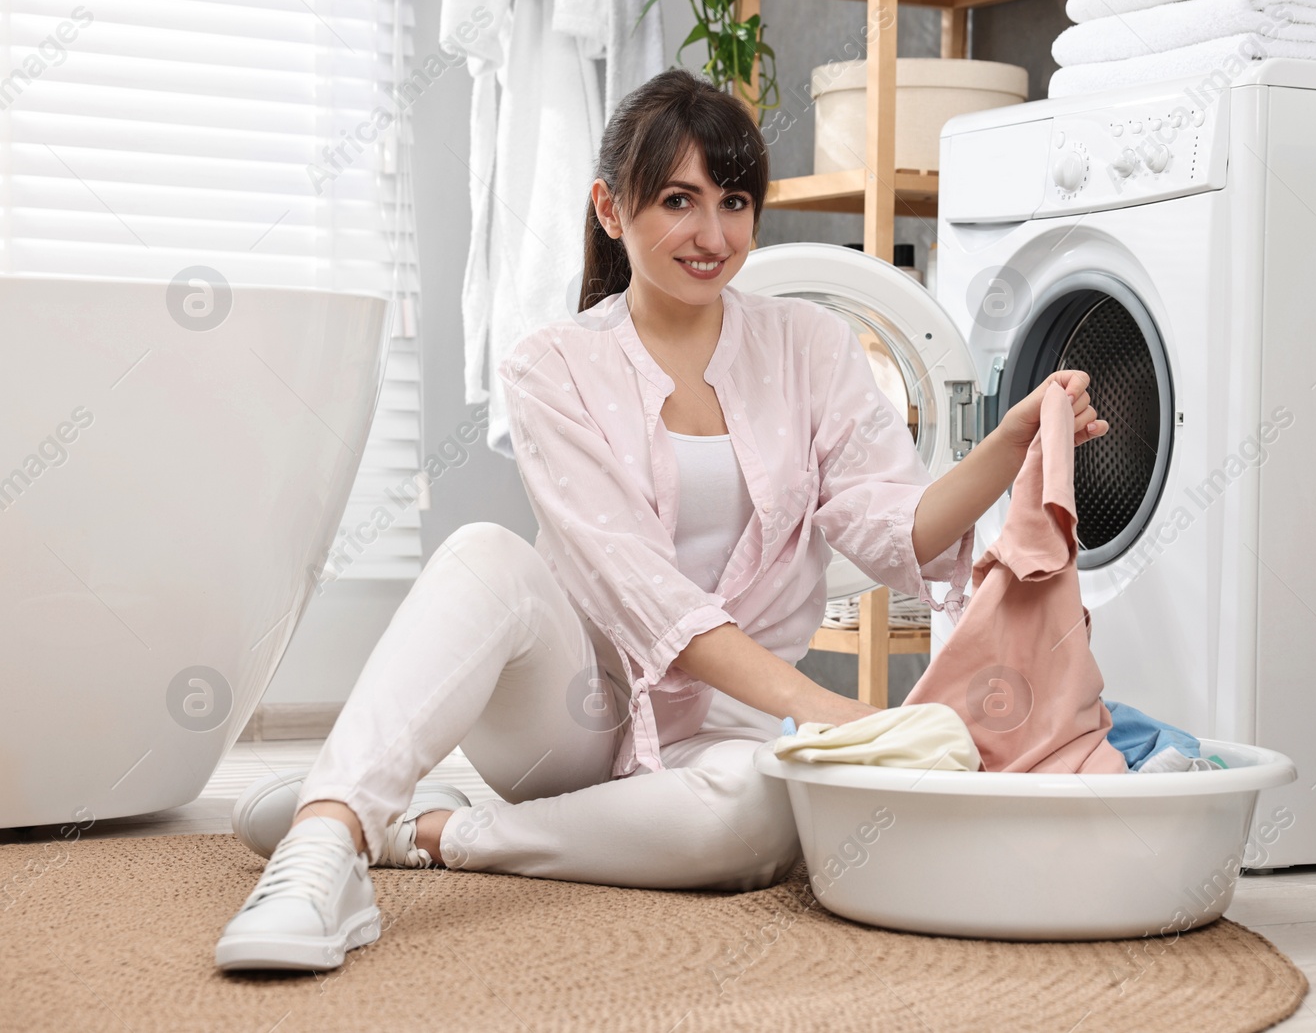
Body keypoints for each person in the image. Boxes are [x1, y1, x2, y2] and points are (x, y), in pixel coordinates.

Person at [213, 67, 1110, 972]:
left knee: (757, 811)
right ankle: (321, 849)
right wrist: (823, 710)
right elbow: (640, 590)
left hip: (726, 727)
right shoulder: (553, 364)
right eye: (678, 200)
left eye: (735, 201)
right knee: (483, 555)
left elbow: (894, 528)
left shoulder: (813, 347)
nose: (712, 234)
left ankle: (425, 828)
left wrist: (1007, 444)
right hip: (569, 714)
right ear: (610, 207)